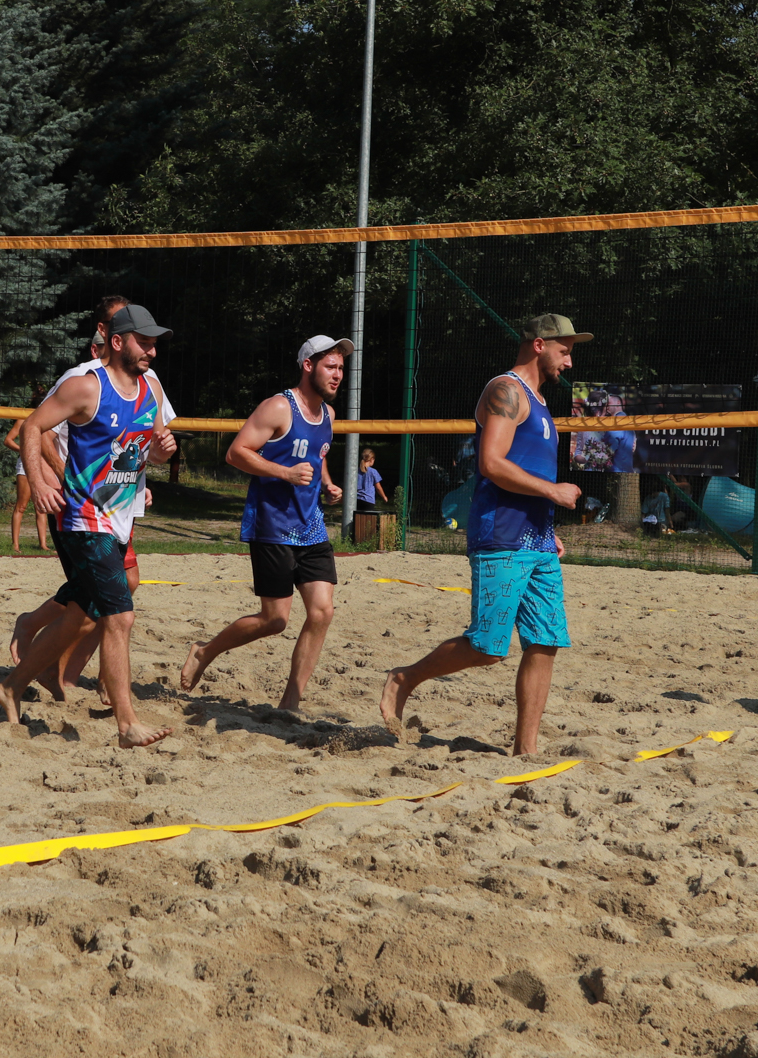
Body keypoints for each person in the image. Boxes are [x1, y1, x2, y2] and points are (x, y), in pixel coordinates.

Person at [378, 314, 589, 756]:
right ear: (539, 344)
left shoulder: (539, 400)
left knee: (546, 641)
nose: (569, 362)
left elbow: (527, 468)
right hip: (501, 536)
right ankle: (404, 678)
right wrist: (552, 491)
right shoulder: (506, 390)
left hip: (536, 539)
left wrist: (547, 528)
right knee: (488, 647)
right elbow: (491, 463)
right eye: (565, 351)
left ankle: (525, 750)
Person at [0, 306, 177, 749]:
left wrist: (162, 453)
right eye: (144, 342)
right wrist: (39, 482)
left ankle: (12, 686)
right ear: (117, 341)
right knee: (120, 616)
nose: (152, 350)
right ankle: (127, 724)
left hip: (120, 517)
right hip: (84, 518)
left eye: (154, 343)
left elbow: (148, 452)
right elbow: (32, 427)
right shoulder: (86, 386)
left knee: (81, 615)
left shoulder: (151, 388)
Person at [178, 336, 348, 712]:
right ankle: (204, 651)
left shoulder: (329, 415)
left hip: (312, 526)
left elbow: (317, 455)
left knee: (322, 611)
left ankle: (290, 704)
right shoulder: (279, 407)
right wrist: (285, 473)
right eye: (330, 367)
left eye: (340, 367)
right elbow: (236, 452)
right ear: (308, 366)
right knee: (275, 620)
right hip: (272, 525)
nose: (338, 374)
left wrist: (327, 483)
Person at [4, 386, 53, 554]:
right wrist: (25, 450)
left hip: (43, 465)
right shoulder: (24, 418)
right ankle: (15, 545)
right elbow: (8, 440)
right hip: (25, 464)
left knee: (42, 506)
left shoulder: (50, 418)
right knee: (21, 506)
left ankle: (43, 545)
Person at [356, 446, 386, 513]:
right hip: (368, 500)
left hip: (357, 499)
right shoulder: (373, 471)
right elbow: (378, 487)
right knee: (368, 519)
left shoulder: (356, 471)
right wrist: (384, 497)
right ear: (372, 459)